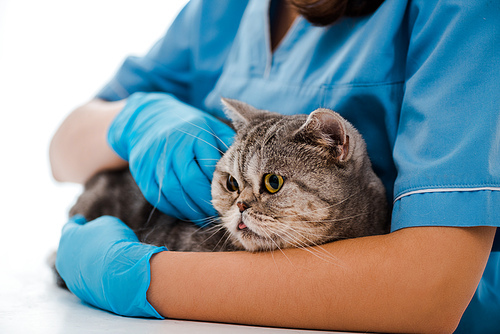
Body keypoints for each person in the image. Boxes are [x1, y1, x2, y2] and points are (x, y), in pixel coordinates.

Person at [49, 0, 500, 333]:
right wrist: (134, 119)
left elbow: (429, 291)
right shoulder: (222, 10)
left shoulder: (462, 12)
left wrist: (140, 277)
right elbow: (62, 150)